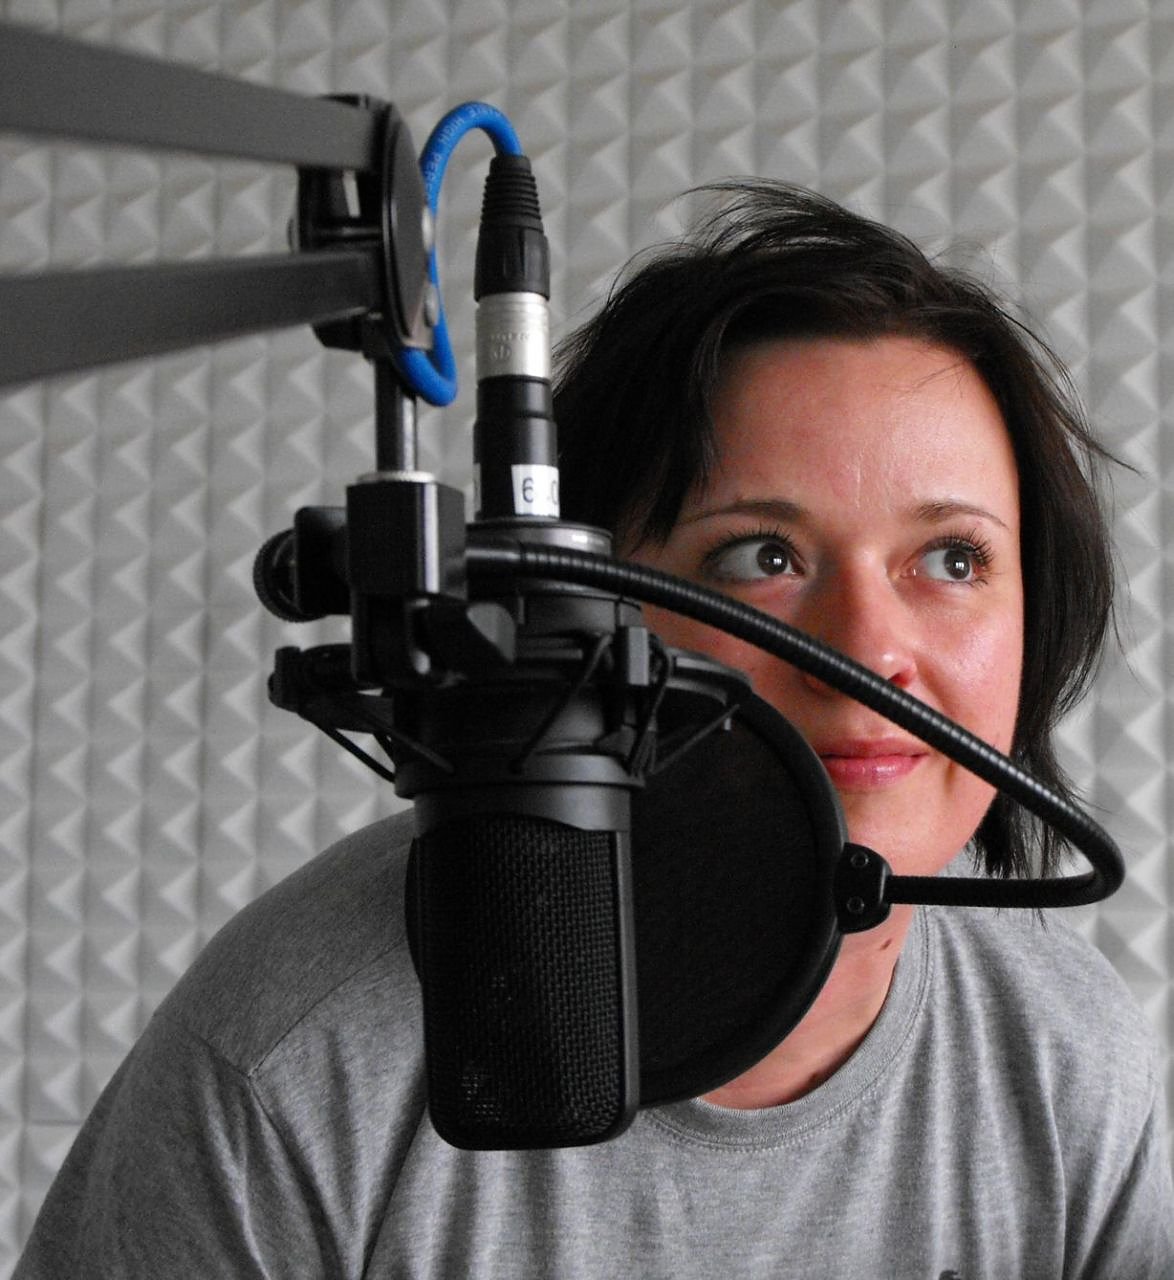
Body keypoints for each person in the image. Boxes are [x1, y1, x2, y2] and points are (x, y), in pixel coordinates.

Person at [16, 181, 1174, 1277]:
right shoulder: (300, 1060)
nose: (871, 651)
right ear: (587, 609)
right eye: (761, 554)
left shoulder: (1063, 1053)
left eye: (952, 559)